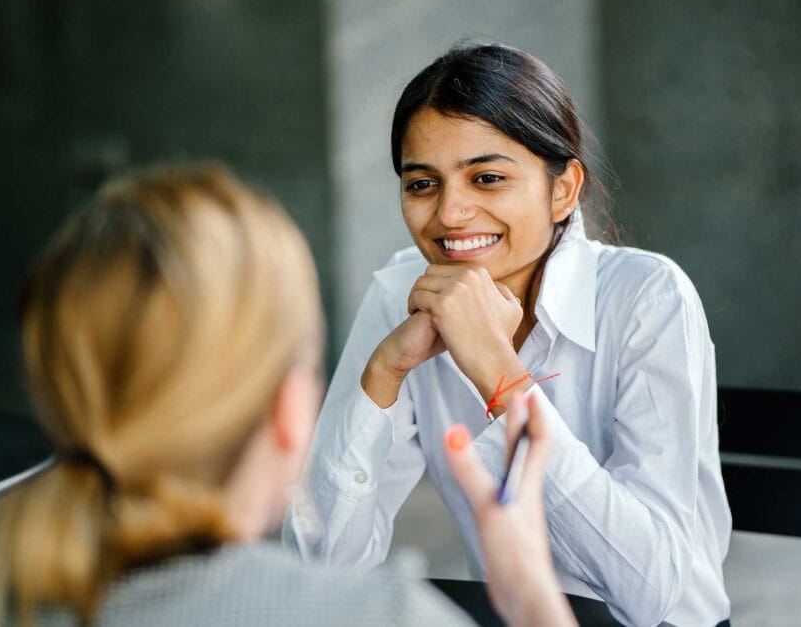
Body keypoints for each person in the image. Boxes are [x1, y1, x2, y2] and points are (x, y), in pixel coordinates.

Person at [0, 164, 575, 627]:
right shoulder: (386, 616)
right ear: (290, 412)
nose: (451, 209)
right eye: (422, 182)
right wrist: (530, 591)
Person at [283, 44, 733, 627]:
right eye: (422, 184)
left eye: (487, 178)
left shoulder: (649, 297)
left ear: (563, 189)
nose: (450, 213)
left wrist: (500, 375)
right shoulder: (403, 293)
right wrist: (381, 376)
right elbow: (320, 570)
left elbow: (649, 593)